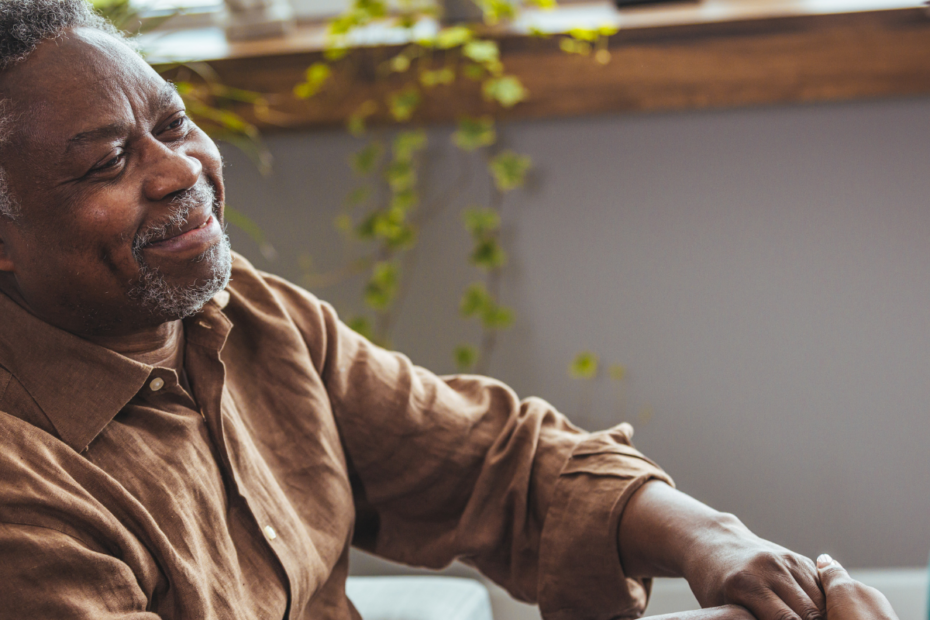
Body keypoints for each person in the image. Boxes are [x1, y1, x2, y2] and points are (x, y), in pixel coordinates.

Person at [0, 1, 899, 618]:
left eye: (175, 121)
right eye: (104, 162)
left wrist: (717, 543)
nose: (179, 170)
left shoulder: (254, 323)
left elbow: (487, 459)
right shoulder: (19, 493)